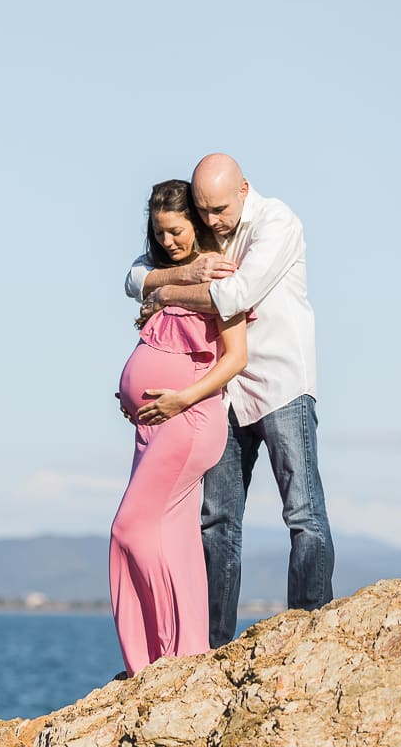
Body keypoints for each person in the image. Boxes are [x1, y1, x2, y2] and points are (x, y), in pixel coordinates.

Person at [125, 153, 335, 649]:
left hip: (281, 383)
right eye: (204, 211)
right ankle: (211, 642)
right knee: (217, 520)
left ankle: (310, 630)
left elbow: (233, 295)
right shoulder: (205, 228)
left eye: (219, 209)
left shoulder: (277, 222)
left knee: (302, 512)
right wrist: (173, 278)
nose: (212, 221)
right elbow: (135, 277)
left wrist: (164, 297)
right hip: (225, 396)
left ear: (243, 189)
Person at [112, 179, 247, 676]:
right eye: (159, 233)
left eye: (176, 231)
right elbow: (137, 288)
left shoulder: (220, 274)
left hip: (187, 418)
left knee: (129, 528)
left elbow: (236, 357)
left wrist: (180, 397)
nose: (167, 241)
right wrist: (133, 387)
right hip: (153, 424)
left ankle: (156, 657)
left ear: (195, 223)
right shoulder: (161, 276)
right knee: (178, 539)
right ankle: (186, 651)